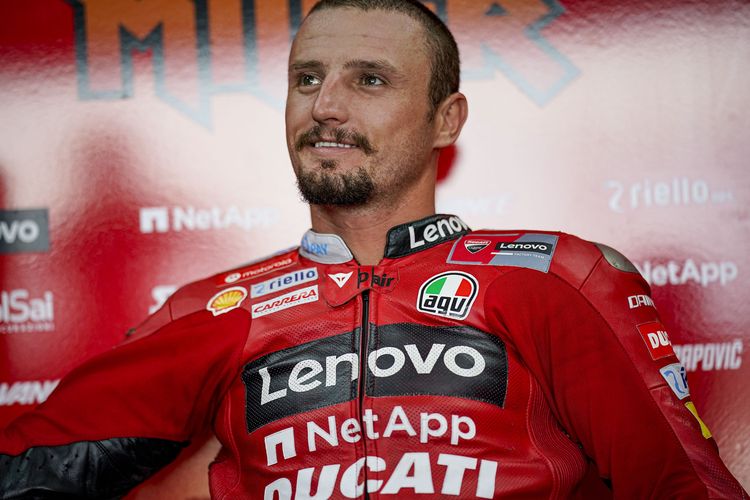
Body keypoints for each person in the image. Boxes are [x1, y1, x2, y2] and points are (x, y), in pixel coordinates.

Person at [1, 0, 747, 498]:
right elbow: (28, 468)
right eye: (307, 79)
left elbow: (683, 486)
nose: (325, 106)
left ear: (446, 119)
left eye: (369, 80)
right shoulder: (213, 309)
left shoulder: (554, 276)